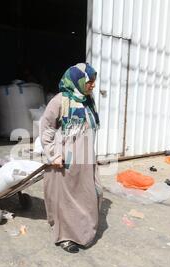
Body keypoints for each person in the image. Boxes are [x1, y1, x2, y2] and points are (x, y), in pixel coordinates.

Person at [40, 63, 103, 254]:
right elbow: (47, 129)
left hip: (85, 157)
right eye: (89, 81)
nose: (92, 85)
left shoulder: (87, 99)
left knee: (89, 193)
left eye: (93, 81)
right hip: (64, 158)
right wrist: (53, 154)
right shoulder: (60, 101)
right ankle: (66, 236)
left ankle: (83, 231)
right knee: (66, 198)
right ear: (78, 80)